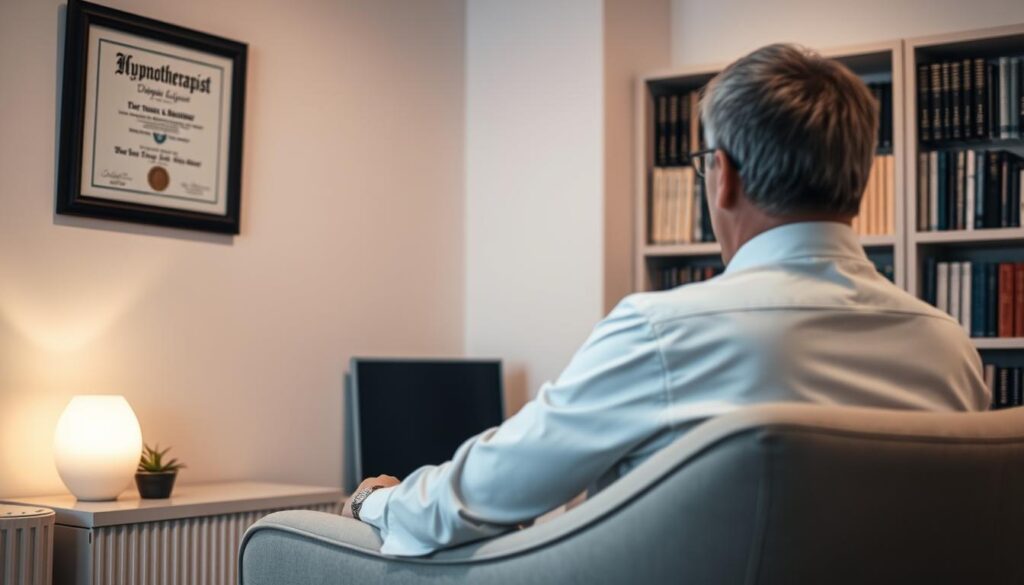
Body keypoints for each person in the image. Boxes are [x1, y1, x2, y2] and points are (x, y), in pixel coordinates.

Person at [342, 43, 990, 557]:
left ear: (722, 175)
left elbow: (479, 498)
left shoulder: (664, 331)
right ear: (860, 178)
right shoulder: (947, 346)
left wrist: (376, 502)